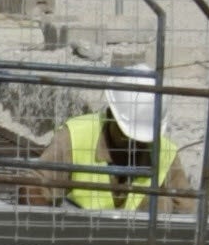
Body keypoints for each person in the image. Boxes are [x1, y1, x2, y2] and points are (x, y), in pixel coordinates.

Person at [22, 69, 193, 213]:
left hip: (141, 243)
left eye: (142, 139)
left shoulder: (165, 153)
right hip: (82, 237)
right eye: (128, 135)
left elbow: (187, 213)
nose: (134, 144)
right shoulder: (76, 136)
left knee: (162, 202)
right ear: (111, 115)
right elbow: (32, 187)